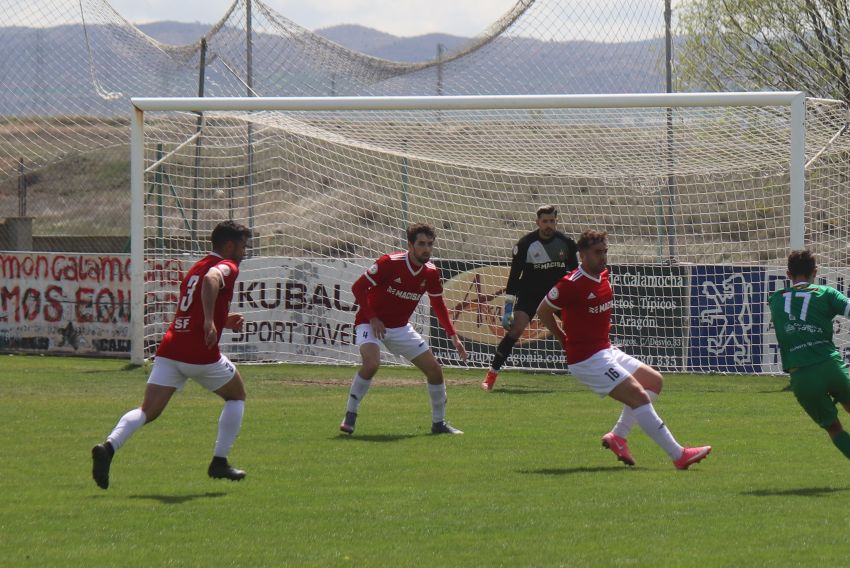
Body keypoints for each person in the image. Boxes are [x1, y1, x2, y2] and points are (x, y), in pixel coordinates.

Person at [91, 220, 252, 489]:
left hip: (170, 348)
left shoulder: (195, 269)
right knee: (237, 396)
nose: (244, 253)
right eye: (243, 247)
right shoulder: (226, 266)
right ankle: (219, 461)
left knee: (148, 410)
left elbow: (192, 307)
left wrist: (221, 320)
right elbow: (214, 279)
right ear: (229, 246)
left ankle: (108, 447)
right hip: (199, 353)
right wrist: (211, 321)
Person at [536, 229, 711, 469]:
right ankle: (678, 455)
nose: (603, 257)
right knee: (638, 395)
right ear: (582, 255)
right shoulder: (571, 284)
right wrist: (561, 337)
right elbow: (543, 310)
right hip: (586, 359)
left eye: (605, 252)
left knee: (654, 382)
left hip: (604, 350)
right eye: (597, 253)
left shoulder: (604, 275)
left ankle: (618, 436)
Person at [340, 223, 468, 435]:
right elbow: (358, 287)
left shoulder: (431, 272)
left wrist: (453, 336)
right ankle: (351, 414)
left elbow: (438, 305)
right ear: (410, 245)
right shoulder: (389, 263)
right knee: (371, 364)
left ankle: (439, 424)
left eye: (429, 244)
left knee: (435, 370)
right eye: (421, 244)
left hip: (400, 328)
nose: (426, 249)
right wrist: (372, 318)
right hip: (370, 323)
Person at [482, 205, 578, 391]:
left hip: (555, 295)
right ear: (537, 222)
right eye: (545, 221)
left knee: (577, 329)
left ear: (556, 221)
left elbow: (574, 275)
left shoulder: (566, 243)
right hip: (530, 294)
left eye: (552, 221)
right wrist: (508, 309)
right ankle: (492, 374)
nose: (548, 225)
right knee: (516, 330)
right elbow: (513, 279)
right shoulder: (525, 244)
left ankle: (590, 372)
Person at [768, 250, 850, 461]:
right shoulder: (826, 293)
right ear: (815, 272)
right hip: (830, 366)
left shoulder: (775, 299)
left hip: (802, 375)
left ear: (788, 274)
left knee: (834, 428)